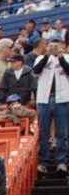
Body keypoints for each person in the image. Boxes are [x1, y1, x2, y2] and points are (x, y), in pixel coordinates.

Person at [32, 39, 69, 173]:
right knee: (44, 133)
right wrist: (47, 56)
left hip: (62, 99)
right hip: (44, 99)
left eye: (56, 46)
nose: (54, 48)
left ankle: (61, 161)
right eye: (52, 46)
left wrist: (61, 57)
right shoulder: (41, 58)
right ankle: (43, 161)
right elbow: (36, 71)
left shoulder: (66, 58)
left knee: (62, 133)